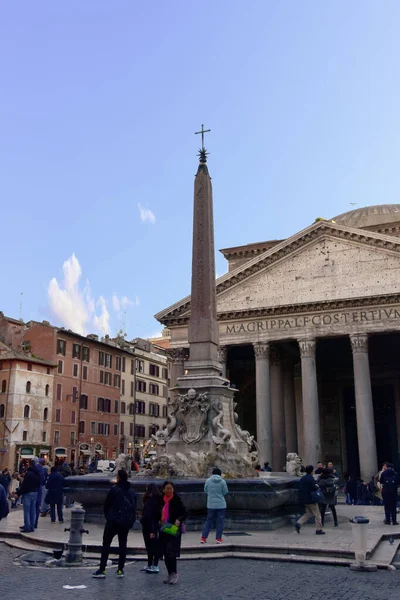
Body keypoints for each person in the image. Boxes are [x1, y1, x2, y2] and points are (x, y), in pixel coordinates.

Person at [92, 470, 137, 579]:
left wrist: (109, 517)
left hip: (113, 521)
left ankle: (102, 569)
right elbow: (134, 508)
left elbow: (107, 505)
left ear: (118, 478)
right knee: (123, 545)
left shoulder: (114, 490)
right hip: (125, 522)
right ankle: (120, 570)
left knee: (106, 544)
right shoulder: (132, 492)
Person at [159, 481, 187, 585]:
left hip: (173, 530)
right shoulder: (161, 500)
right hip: (163, 529)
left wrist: (179, 519)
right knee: (165, 553)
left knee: (171, 552)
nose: (169, 490)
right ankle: (169, 573)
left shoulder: (177, 500)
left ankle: (174, 573)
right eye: (167, 488)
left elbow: (184, 512)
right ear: (163, 490)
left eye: (171, 488)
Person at [201, 467, 229, 544]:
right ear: (220, 474)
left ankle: (203, 538)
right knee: (220, 522)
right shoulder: (223, 482)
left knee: (208, 521)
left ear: (212, 473)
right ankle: (218, 539)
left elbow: (205, 490)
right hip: (221, 505)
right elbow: (225, 492)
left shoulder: (208, 481)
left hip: (211, 504)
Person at [295, 465, 325, 535]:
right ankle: (319, 529)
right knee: (317, 515)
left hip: (304, 499)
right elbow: (315, 488)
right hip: (311, 499)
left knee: (308, 514)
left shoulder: (303, 478)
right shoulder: (311, 479)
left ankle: (298, 523)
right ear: (312, 471)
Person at [140, 483, 162, 573]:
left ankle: (153, 565)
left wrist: (151, 530)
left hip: (149, 528)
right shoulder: (157, 501)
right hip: (155, 527)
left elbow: (149, 516)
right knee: (153, 546)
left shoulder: (149, 502)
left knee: (150, 547)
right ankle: (152, 564)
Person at [16, 459, 40, 532]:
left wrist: (19, 493)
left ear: (29, 465)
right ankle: (32, 526)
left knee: (26, 511)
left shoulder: (28, 474)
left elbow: (24, 485)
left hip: (28, 493)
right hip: (35, 492)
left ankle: (27, 526)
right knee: (33, 510)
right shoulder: (37, 473)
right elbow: (39, 483)